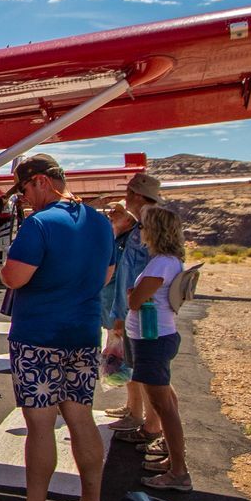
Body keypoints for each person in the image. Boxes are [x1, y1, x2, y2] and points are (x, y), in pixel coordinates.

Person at [0, 152, 115, 501]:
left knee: (41, 424)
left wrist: (5, 267)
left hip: (38, 338)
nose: (25, 198)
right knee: (81, 416)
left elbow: (14, 278)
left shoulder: (38, 225)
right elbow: (107, 274)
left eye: (26, 189)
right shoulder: (101, 223)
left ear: (43, 181)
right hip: (83, 333)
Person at [129, 204, 192, 492]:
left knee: (163, 406)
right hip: (158, 337)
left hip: (153, 341)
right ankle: (174, 462)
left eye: (143, 227)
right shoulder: (169, 261)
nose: (140, 231)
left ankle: (179, 471)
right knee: (167, 400)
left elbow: (135, 300)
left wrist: (133, 293)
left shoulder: (161, 264)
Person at [101, 173, 163, 445]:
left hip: (139, 312)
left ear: (136, 195)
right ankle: (138, 413)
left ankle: (151, 424)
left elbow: (140, 275)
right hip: (133, 310)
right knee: (136, 366)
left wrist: (126, 313)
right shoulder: (142, 228)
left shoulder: (147, 231)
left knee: (147, 371)